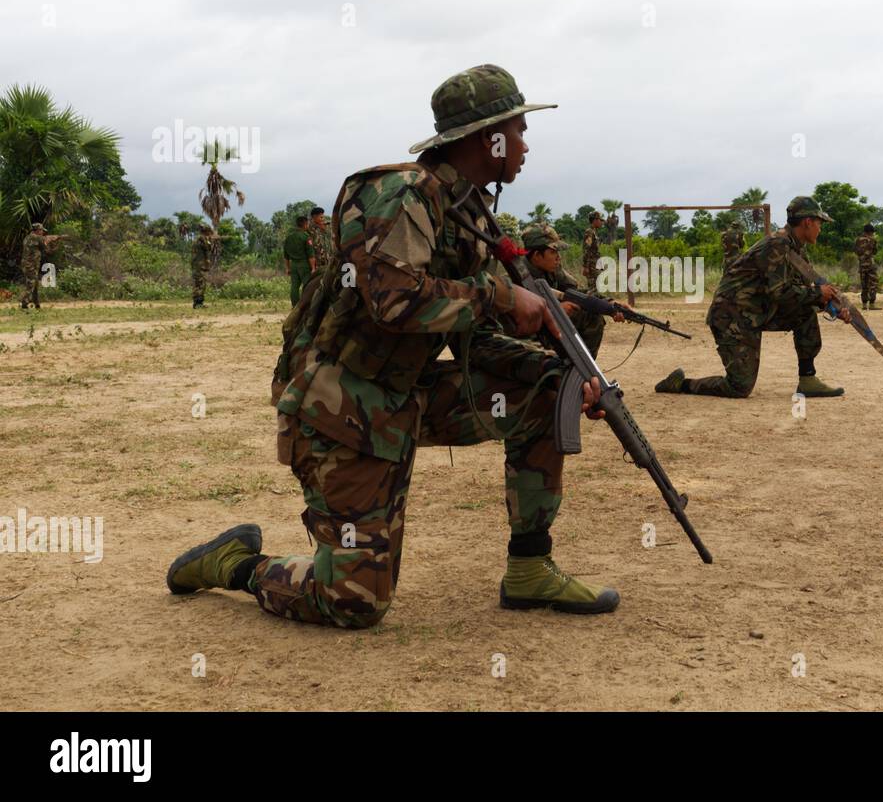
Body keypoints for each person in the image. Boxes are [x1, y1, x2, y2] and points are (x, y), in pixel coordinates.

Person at [166, 64, 620, 627]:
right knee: (354, 602)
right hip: (341, 407)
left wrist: (568, 373)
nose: (526, 145)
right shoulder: (398, 196)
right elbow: (396, 302)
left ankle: (530, 568)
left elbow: (473, 338)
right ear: (489, 138)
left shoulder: (468, 213)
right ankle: (233, 563)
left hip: (404, 395)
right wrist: (501, 298)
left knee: (549, 389)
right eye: (519, 130)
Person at [655, 196, 845, 399]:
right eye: (819, 223)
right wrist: (819, 294)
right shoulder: (777, 245)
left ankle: (808, 379)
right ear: (808, 222)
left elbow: (803, 290)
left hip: (757, 311)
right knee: (739, 387)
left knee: (804, 311)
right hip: (732, 316)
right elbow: (780, 292)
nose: (821, 228)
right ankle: (681, 384)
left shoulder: (794, 247)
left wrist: (831, 305)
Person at [522, 223, 622, 358]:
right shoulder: (519, 276)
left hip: (547, 326)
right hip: (525, 335)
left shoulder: (552, 269)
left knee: (592, 315)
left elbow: (576, 293)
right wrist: (555, 311)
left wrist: (610, 304)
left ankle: (582, 369)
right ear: (536, 256)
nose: (559, 257)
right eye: (553, 252)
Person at [20, 223, 60, 310]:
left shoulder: (28, 237)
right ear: (38, 230)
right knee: (31, 283)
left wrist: (52, 240)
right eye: (41, 230)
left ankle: (36, 303)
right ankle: (24, 303)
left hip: (29, 264)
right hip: (30, 265)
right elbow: (45, 243)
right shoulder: (36, 237)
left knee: (35, 284)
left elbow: (44, 247)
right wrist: (52, 238)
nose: (42, 232)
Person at [283, 215, 316, 305]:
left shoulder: (289, 238)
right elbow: (311, 255)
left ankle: (295, 306)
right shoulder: (306, 237)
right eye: (307, 224)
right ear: (305, 224)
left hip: (293, 265)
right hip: (304, 265)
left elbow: (286, 256)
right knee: (307, 286)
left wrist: (287, 268)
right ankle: (306, 305)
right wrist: (313, 268)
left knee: (294, 287)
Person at [191, 225, 218, 309]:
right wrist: (211, 240)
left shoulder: (197, 239)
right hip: (200, 266)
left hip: (196, 265)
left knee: (197, 284)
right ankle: (198, 303)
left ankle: (197, 303)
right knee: (201, 284)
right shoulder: (202, 239)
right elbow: (208, 248)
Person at [854, 223, 879, 310]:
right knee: (873, 284)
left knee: (864, 285)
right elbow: (875, 251)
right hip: (870, 265)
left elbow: (856, 251)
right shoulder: (872, 240)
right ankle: (872, 304)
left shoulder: (857, 240)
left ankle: (864, 305)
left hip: (861, 265)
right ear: (871, 232)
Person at [582, 213, 604, 290]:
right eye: (600, 220)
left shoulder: (594, 232)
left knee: (596, 286)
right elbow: (586, 249)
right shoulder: (590, 232)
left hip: (595, 264)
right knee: (593, 288)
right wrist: (586, 266)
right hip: (591, 265)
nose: (601, 222)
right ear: (595, 220)